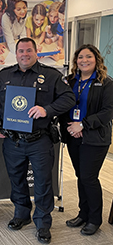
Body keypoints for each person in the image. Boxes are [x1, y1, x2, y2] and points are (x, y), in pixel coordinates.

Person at [0, 38, 75, 243]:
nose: (24, 54)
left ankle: (42, 223)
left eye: (29, 50)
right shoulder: (3, 75)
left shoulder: (51, 75)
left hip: (40, 140)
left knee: (43, 182)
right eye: (21, 51)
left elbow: (69, 99)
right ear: (16, 53)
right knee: (17, 180)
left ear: (36, 52)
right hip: (13, 141)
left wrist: (46, 110)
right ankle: (21, 214)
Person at [59, 44, 113, 235]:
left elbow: (108, 112)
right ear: (76, 62)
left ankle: (94, 219)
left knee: (89, 178)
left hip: (95, 138)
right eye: (80, 57)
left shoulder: (106, 83)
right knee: (81, 176)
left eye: (88, 57)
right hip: (73, 136)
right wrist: (70, 127)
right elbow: (63, 106)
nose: (84, 60)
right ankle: (83, 214)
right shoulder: (70, 81)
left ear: (97, 59)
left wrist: (82, 125)